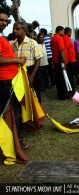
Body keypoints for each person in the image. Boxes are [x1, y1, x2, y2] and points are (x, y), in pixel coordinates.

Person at [0, 10, 27, 150]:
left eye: (6, 20)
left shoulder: (2, 37)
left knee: (12, 110)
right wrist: (18, 60)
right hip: (5, 80)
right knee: (11, 111)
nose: (4, 23)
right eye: (1, 20)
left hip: (9, 79)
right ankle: (16, 141)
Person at [12, 22, 43, 102]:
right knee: (21, 97)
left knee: (34, 96)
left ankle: (37, 114)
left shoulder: (32, 43)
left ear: (24, 31)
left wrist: (32, 76)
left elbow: (38, 60)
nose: (15, 31)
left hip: (30, 71)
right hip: (18, 73)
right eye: (14, 29)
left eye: (17, 29)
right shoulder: (13, 44)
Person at [50, 26, 69, 100]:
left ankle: (60, 94)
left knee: (58, 79)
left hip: (55, 61)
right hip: (59, 61)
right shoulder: (59, 38)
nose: (63, 33)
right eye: (63, 32)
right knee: (63, 79)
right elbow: (61, 51)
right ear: (59, 31)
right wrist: (64, 62)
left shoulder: (52, 39)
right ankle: (64, 95)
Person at [63, 27, 76, 95]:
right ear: (68, 32)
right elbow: (66, 49)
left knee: (71, 76)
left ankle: (71, 90)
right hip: (70, 60)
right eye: (70, 32)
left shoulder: (66, 38)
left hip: (70, 59)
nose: (71, 33)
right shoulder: (66, 38)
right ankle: (72, 91)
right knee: (71, 76)